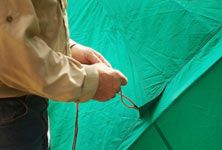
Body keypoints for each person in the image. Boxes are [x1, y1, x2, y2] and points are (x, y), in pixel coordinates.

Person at [0, 0, 128, 149]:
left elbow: (22, 21)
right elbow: (13, 57)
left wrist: (68, 49)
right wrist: (91, 82)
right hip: (11, 113)